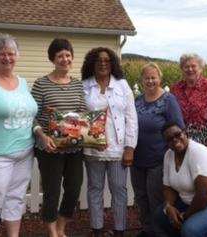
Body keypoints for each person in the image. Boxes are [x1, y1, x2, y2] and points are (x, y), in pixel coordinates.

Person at [0, 34, 38, 237]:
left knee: (16, 199)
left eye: (11, 53)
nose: (7, 58)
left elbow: (27, 113)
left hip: (24, 152)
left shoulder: (22, 82)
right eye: (2, 54)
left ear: (17, 56)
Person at [31, 38, 86, 237]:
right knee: (52, 193)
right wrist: (42, 136)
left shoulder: (78, 86)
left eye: (68, 55)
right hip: (49, 148)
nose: (65, 59)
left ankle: (62, 227)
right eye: (60, 56)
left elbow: (83, 116)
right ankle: (52, 232)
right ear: (53, 59)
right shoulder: (41, 84)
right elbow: (32, 115)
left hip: (74, 149)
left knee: (73, 189)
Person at [81, 47, 138, 237]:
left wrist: (130, 147)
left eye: (106, 60)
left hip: (118, 149)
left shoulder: (122, 85)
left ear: (112, 63)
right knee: (95, 189)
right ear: (92, 64)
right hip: (93, 149)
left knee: (119, 191)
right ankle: (97, 229)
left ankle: (119, 230)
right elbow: (79, 117)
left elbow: (132, 118)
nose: (103, 63)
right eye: (98, 60)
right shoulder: (85, 86)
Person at [131, 62, 185, 237]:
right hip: (137, 159)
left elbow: (178, 128)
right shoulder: (138, 100)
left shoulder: (169, 100)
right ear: (142, 80)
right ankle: (147, 229)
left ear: (160, 78)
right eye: (146, 77)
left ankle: (160, 232)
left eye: (153, 77)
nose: (150, 81)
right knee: (141, 196)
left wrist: (178, 155)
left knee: (156, 198)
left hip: (159, 159)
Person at [170, 53, 207, 154]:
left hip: (203, 144)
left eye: (193, 66)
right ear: (182, 69)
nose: (190, 69)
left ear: (200, 68)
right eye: (186, 66)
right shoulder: (175, 89)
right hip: (180, 143)